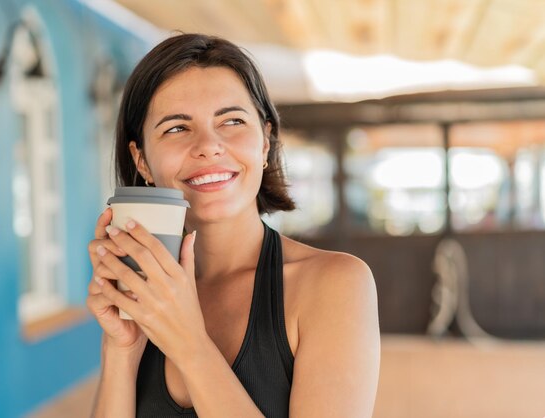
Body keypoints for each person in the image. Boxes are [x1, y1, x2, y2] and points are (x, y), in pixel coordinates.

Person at [86, 33, 380, 418]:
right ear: (141, 161)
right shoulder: (146, 297)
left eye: (231, 121)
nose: (208, 145)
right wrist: (121, 349)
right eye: (176, 128)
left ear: (264, 144)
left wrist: (189, 342)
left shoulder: (335, 284)